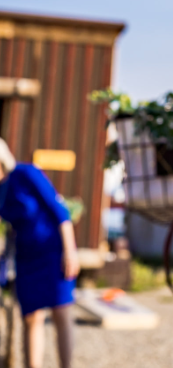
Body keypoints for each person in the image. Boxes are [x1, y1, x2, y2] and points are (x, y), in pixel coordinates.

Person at [0, 139, 79, 368]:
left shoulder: (26, 173)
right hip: (25, 258)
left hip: (53, 252)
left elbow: (60, 211)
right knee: (31, 317)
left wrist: (70, 251)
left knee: (60, 312)